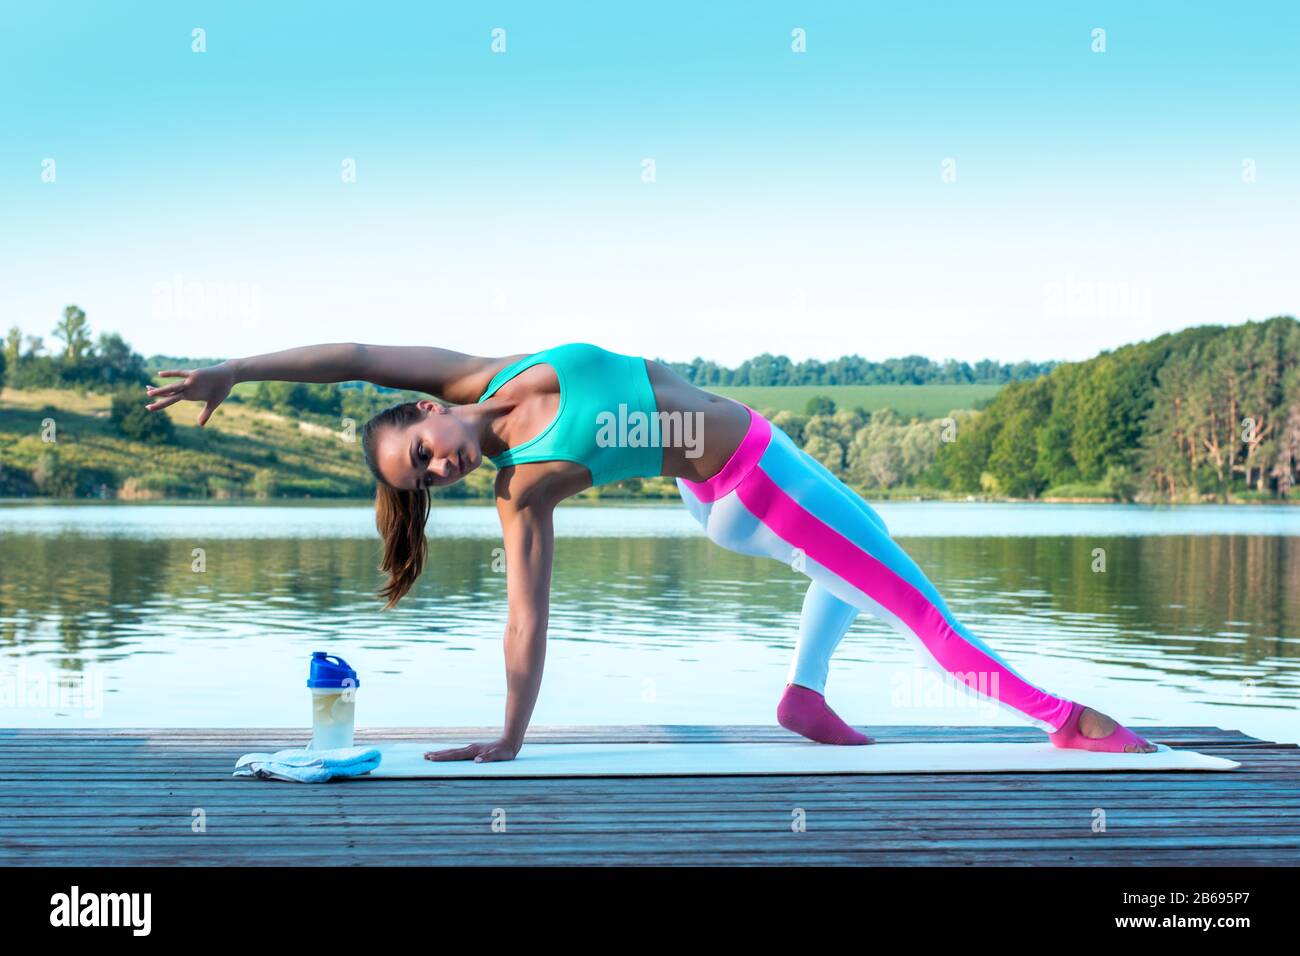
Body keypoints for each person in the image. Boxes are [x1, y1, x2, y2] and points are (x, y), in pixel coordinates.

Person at [145, 341, 1157, 762]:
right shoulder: (521, 488)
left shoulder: (483, 369)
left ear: (426, 410)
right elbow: (525, 618)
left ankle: (802, 694)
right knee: (919, 607)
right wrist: (509, 736)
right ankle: (1064, 718)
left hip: (740, 474)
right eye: (420, 483)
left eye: (420, 452)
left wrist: (238, 368)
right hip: (757, 488)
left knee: (862, 559)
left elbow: (355, 353)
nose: (434, 471)